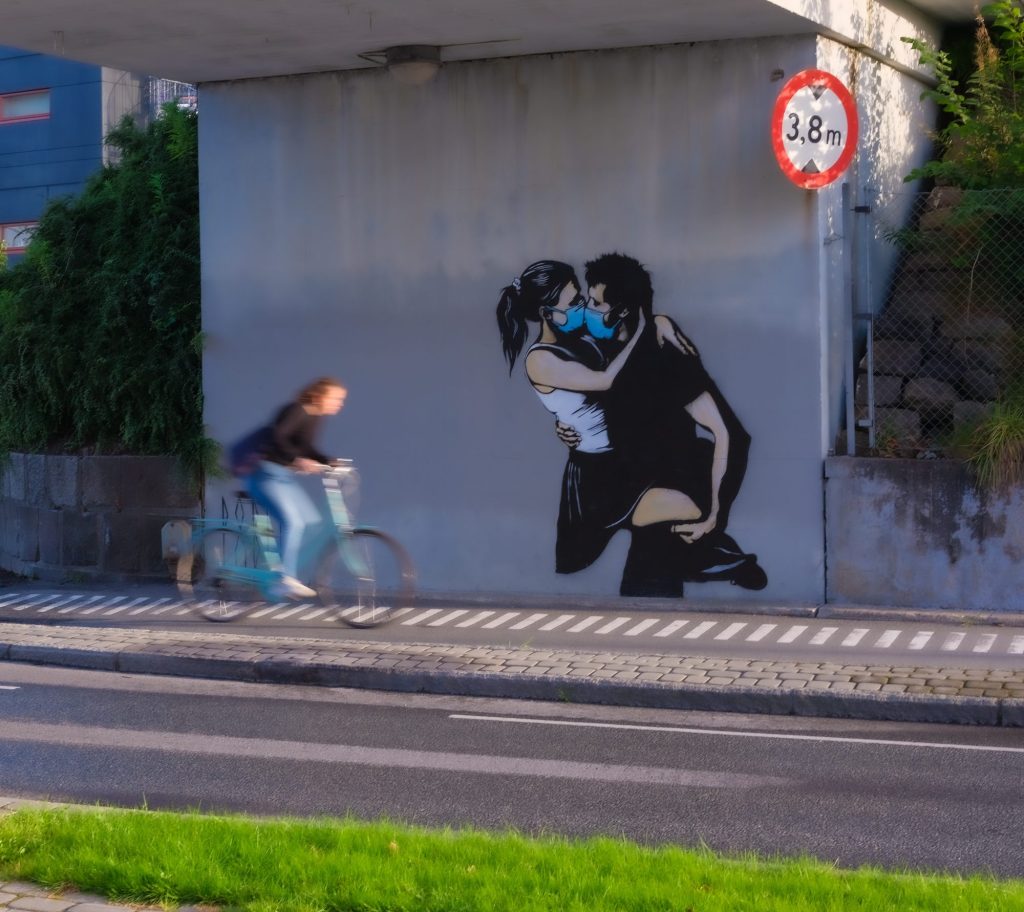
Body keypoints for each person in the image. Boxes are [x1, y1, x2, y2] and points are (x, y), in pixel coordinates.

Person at [573, 252, 766, 596]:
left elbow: (730, 433)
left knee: (644, 594)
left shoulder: (664, 357)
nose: (589, 310)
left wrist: (714, 517)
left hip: (667, 502)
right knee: (645, 597)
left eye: (596, 303)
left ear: (622, 311)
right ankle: (713, 554)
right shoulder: (605, 353)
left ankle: (713, 549)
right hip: (634, 501)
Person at [496, 260, 702, 578]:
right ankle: (709, 562)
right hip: (596, 477)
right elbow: (606, 380)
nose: (582, 307)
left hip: (625, 459)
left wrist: (658, 323)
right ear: (546, 313)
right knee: (686, 508)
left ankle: (704, 560)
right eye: (574, 302)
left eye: (581, 298)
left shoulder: (579, 339)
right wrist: (649, 326)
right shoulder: (540, 359)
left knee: (686, 508)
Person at [242, 377, 347, 599]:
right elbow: (277, 437)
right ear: (319, 395)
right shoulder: (297, 410)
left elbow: (306, 446)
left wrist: (328, 461)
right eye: (336, 398)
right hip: (264, 474)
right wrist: (297, 459)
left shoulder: (315, 417)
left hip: (282, 476)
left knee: (311, 520)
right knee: (294, 522)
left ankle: (281, 568)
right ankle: (284, 579)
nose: (339, 403)